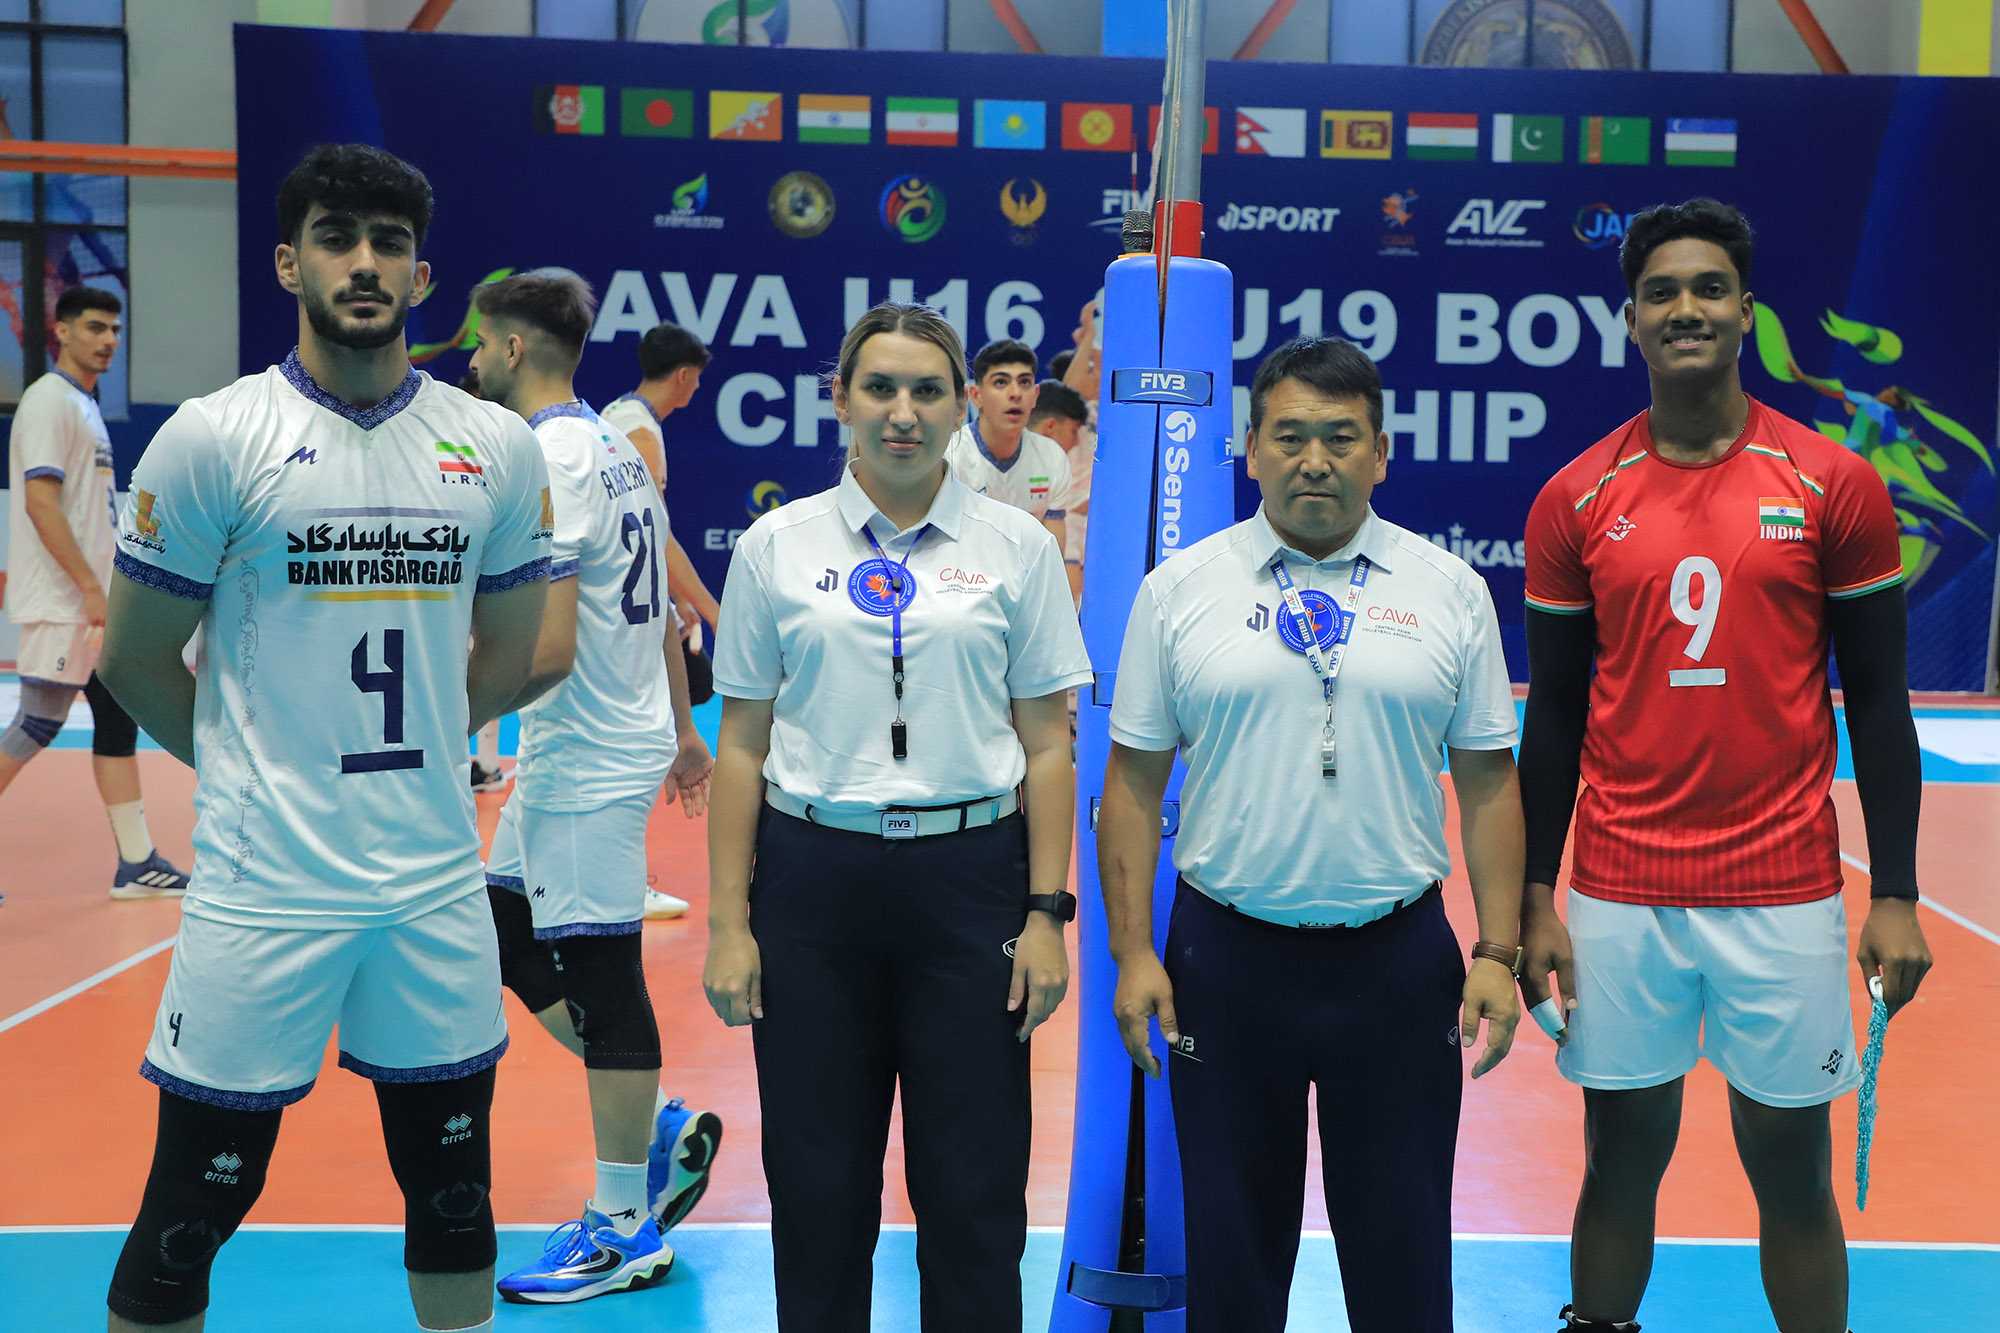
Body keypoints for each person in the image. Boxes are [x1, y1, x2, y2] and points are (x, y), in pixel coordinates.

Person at [97, 143, 552, 1333]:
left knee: (455, 1202)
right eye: (337, 239)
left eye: (389, 244)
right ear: (287, 262)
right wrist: (254, 768)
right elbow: (134, 659)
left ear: (422, 275)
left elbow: (508, 657)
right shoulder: (214, 436)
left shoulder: (493, 447)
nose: (364, 263)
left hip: (432, 884)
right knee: (191, 1208)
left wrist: (420, 750)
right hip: (266, 887)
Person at [1518, 198, 1934, 1333]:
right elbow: (1553, 717)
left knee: (1792, 1174)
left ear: (1746, 312)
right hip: (1619, 891)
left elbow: (1880, 701)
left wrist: (1895, 892)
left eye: (1708, 288)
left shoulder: (1831, 483)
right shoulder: (1574, 497)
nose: (1685, 308)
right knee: (1617, 1161)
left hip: (1782, 889)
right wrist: (1534, 894)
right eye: (1661, 291)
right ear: (1630, 319)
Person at [1100, 335, 1524, 1333]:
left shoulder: (1447, 588)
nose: (1314, 460)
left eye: (1340, 437)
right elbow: (1130, 786)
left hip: (1397, 962)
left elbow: (1489, 783)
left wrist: (1497, 950)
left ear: (1381, 452)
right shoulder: (1179, 590)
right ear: (1249, 448)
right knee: (1231, 1257)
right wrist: (1131, 951)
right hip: (1225, 962)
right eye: (1289, 436)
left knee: (1403, 1253)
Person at [702, 302, 1091, 1331]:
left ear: (962, 405)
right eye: (879, 388)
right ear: (840, 401)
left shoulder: (1016, 546)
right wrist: (729, 923)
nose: (903, 412)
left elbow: (1048, 746)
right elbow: (740, 745)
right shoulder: (776, 546)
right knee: (816, 1184)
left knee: (974, 1187)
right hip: (811, 885)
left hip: (971, 885)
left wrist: (1045, 912)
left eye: (927, 390)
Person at [464, 269, 721, 1305]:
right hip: (599, 743)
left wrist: (443, 727)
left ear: (513, 348)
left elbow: (552, 648)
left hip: (583, 756)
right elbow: (659, 609)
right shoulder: (613, 444)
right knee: (501, 927)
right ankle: (657, 1123)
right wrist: (684, 730)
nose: (471, 358)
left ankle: (622, 1229)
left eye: (479, 341)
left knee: (606, 980)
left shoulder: (549, 458)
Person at [2, 285, 190, 898]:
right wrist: (89, 588)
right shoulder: (49, 402)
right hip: (65, 602)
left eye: (114, 329)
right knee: (37, 723)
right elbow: (40, 503)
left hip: (89, 601)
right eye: (94, 327)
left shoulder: (84, 406)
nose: (109, 339)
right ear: (61, 331)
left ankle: (136, 862)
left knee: (115, 716)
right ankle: (136, 861)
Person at [944, 338, 1071, 552]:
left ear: (1035, 396)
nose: (1015, 393)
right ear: (976, 396)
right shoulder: (950, 455)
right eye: (1001, 382)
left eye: (1024, 382)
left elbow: (1053, 557)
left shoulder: (1052, 457)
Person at [1026, 379, 1091, 603]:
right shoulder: (971, 460)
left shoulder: (1055, 473)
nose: (1075, 443)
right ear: (1051, 427)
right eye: (1073, 431)